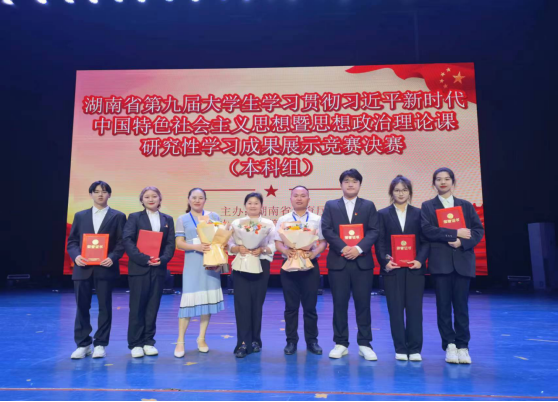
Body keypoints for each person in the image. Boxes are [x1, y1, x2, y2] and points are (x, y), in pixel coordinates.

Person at [421, 168, 484, 365]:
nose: (443, 182)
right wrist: (454, 233)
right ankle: (449, 345)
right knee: (443, 307)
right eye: (439, 179)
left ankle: (463, 346)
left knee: (461, 307)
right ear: (433, 183)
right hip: (441, 264)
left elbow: (477, 230)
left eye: (447, 179)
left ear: (453, 182)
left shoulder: (465, 205)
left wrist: (461, 242)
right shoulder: (427, 206)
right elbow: (427, 230)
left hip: (462, 262)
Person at [321, 169, 380, 361]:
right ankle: (341, 343)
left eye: (354, 181)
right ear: (341, 184)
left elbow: (374, 230)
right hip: (338, 262)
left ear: (360, 184)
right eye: (346, 181)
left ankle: (365, 344)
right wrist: (345, 247)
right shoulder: (331, 205)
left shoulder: (368, 205)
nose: (350, 184)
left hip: (362, 262)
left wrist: (358, 249)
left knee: (363, 304)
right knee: (339, 304)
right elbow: (327, 230)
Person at [67, 181, 127, 360]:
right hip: (83, 267)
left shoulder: (118, 216)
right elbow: (72, 241)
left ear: (109, 195)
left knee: (105, 307)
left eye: (104, 191)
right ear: (91, 194)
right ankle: (83, 344)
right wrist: (76, 256)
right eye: (97, 191)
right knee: (81, 307)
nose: (100, 194)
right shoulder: (80, 216)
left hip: (105, 267)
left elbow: (122, 242)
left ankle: (100, 344)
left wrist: (113, 257)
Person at [375, 175, 430, 362]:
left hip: (415, 269)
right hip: (393, 269)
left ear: (410, 192)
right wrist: (385, 262)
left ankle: (414, 349)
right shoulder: (382, 214)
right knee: (395, 310)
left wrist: (420, 260)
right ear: (392, 193)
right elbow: (380, 242)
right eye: (397, 190)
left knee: (415, 310)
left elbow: (425, 241)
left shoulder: (419, 213)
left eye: (404, 190)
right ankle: (400, 347)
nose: (401, 194)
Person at [123, 186, 175, 359]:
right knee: (137, 307)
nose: (151, 199)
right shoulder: (134, 217)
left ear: (160, 199)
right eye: (147, 197)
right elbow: (128, 241)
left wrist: (163, 259)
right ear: (142, 200)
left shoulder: (167, 219)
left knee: (153, 306)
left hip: (158, 268)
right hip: (139, 268)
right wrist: (144, 258)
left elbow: (170, 244)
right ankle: (135, 343)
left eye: (154, 196)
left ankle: (148, 342)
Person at [275, 186, 327, 356]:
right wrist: (285, 250)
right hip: (289, 265)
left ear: (308, 199)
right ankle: (291, 341)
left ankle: (312, 341)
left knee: (310, 307)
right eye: (295, 196)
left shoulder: (317, 219)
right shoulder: (283, 219)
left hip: (310, 265)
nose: (299, 198)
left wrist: (314, 253)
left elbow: (323, 242)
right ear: (291, 199)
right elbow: (277, 242)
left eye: (303, 196)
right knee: (291, 307)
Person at [174, 188, 226, 358]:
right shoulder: (182, 219)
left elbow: (220, 240)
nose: (197, 200)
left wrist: (219, 258)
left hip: (211, 262)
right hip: (193, 262)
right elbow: (179, 243)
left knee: (207, 301)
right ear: (188, 199)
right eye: (194, 197)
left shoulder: (214, 216)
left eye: (200, 198)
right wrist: (196, 247)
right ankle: (180, 341)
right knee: (188, 302)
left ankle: (201, 338)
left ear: (205, 200)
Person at [229, 193, 276, 358]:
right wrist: (237, 248)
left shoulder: (268, 224)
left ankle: (255, 340)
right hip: (242, 264)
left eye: (256, 203)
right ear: (245, 205)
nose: (253, 206)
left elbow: (274, 244)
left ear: (261, 206)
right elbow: (229, 243)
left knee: (257, 304)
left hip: (261, 263)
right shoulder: (237, 223)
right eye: (250, 203)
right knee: (242, 305)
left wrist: (262, 249)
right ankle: (243, 342)